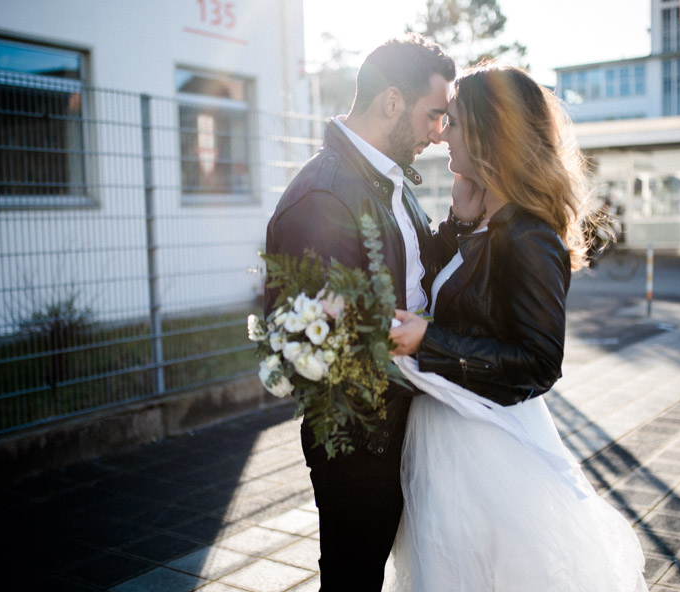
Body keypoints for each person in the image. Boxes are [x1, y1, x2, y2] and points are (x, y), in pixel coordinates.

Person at [387, 65, 649, 591]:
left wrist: (427, 341)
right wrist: (459, 223)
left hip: (491, 453)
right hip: (455, 439)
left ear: (490, 135)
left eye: (455, 122)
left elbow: (539, 362)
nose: (442, 134)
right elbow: (449, 295)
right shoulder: (488, 220)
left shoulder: (530, 236)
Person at [264, 35, 455, 591]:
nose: (438, 131)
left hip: (403, 424)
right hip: (361, 441)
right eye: (433, 114)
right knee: (353, 579)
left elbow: (413, 278)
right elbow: (314, 348)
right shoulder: (324, 197)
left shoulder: (388, 177)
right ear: (392, 101)